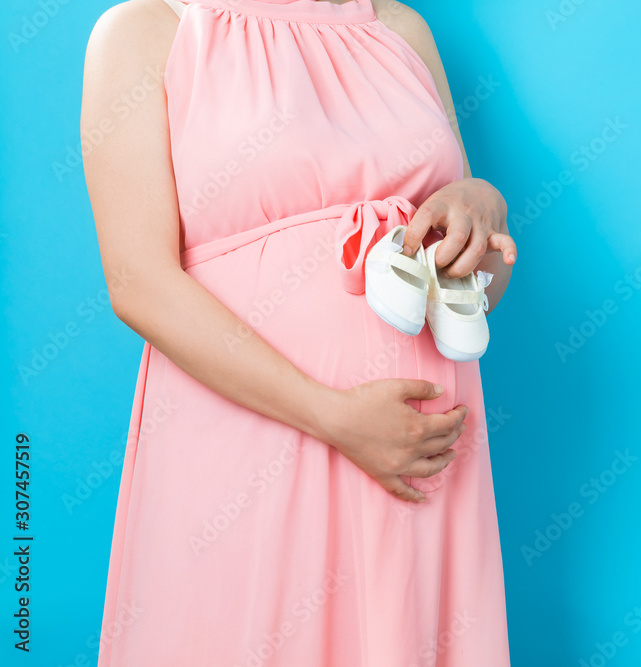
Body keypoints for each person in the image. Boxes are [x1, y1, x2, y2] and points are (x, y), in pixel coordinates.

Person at [80, 0, 515, 663]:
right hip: (256, 447)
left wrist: (483, 205)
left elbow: (469, 285)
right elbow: (139, 282)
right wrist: (334, 415)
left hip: (419, 457)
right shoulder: (148, 29)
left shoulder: (399, 30)